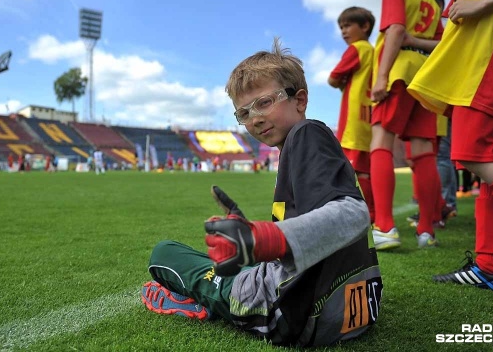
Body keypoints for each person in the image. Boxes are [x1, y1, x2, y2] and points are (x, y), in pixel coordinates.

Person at [140, 39, 382, 347]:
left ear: (300, 99)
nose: (254, 118)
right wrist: (249, 237)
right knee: (241, 264)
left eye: (264, 103)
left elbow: (353, 213)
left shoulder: (306, 135)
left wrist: (262, 238)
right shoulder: (303, 146)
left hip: (293, 314)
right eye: (244, 113)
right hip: (351, 308)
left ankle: (200, 299)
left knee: (165, 252)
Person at [408, 0, 493, 291]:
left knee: (476, 154)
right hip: (483, 60)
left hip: (488, 60)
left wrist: (481, 4)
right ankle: (491, 266)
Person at [369, 0, 444, 250]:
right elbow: (443, 45)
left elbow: (397, 29)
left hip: (399, 70)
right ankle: (427, 230)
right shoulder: (433, 1)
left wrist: (382, 77)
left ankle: (385, 226)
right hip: (425, 76)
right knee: (424, 151)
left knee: (380, 140)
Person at [328, 6, 376, 224]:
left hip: (353, 117)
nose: (343, 31)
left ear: (365, 27)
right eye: (341, 27)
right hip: (370, 113)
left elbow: (333, 77)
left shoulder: (356, 49)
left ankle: (362, 214)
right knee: (365, 170)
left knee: (352, 169)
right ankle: (374, 213)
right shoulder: (374, 51)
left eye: (348, 25)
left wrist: (341, 84)